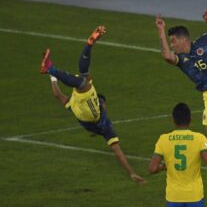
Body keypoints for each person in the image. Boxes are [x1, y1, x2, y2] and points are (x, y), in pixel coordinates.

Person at [40, 26, 145, 184]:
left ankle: (53, 67)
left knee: (84, 81)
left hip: (90, 115)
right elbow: (57, 95)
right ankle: (86, 45)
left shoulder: (102, 118)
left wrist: (52, 74)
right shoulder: (98, 119)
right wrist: (131, 173)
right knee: (84, 76)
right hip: (85, 116)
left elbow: (59, 95)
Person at [155, 11, 207, 203]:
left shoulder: (204, 41)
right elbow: (166, 55)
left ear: (183, 40)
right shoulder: (181, 60)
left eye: (173, 41)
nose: (172, 46)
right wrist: (161, 31)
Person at [148, 103, 207, 207]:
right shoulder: (198, 138)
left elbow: (152, 169)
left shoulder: (163, 139)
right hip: (194, 195)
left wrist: (163, 167)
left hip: (174, 196)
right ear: (190, 119)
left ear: (173, 120)